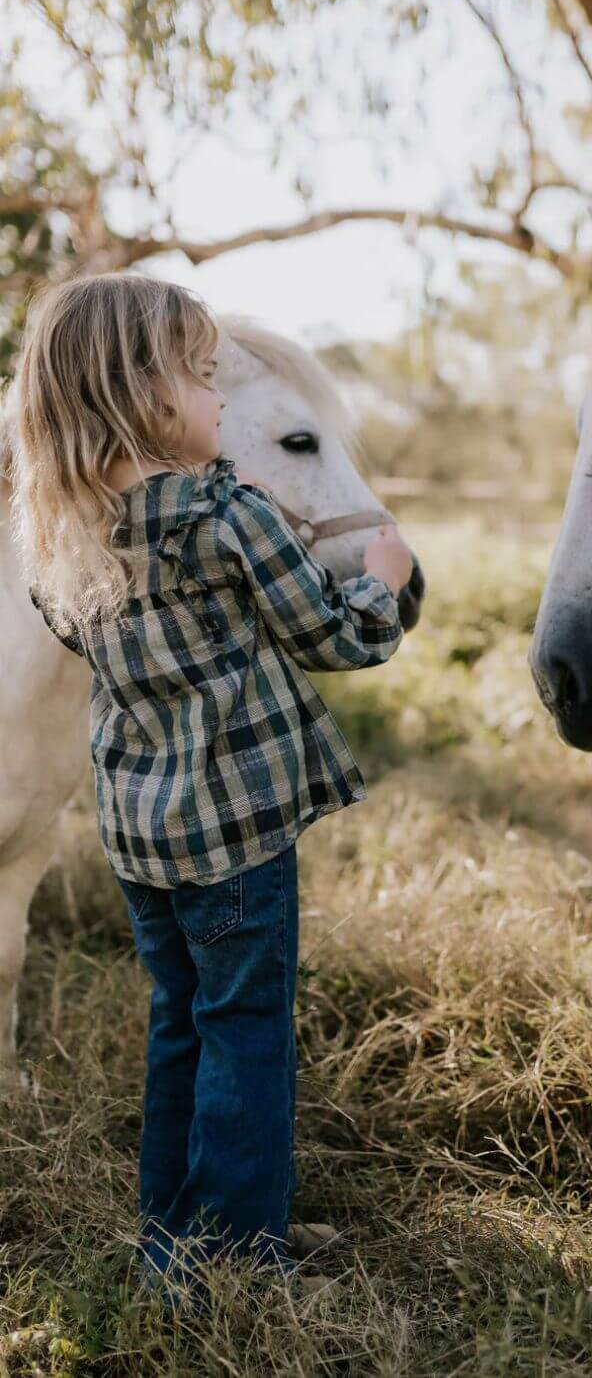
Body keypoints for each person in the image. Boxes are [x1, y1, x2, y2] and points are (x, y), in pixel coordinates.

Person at [8, 271, 413, 1307]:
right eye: (199, 379)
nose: (221, 399)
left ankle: (173, 1236)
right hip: (238, 835)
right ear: (146, 402)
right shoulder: (232, 513)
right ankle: (237, 1256)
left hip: (143, 840)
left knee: (180, 1026)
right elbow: (338, 638)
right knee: (248, 1035)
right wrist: (383, 576)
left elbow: (79, 640)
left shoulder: (64, 541)